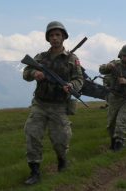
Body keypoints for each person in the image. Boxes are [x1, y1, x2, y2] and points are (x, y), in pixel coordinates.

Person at [22, 21, 84, 185]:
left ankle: (62, 161)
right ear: (48, 38)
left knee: (61, 140)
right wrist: (35, 72)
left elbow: (79, 79)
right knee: (32, 135)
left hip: (59, 107)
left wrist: (71, 86)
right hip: (40, 104)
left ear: (63, 37)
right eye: (52, 35)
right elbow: (26, 73)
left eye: (58, 35)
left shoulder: (72, 59)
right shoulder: (40, 57)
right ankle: (34, 172)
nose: (55, 38)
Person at [99, 44, 126, 151]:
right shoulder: (114, 64)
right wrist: (107, 67)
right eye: (125, 56)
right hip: (114, 97)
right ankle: (113, 142)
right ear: (121, 55)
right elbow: (101, 70)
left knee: (122, 121)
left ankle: (119, 142)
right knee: (111, 124)